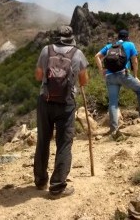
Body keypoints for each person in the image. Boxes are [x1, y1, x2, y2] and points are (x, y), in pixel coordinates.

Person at [34, 25, 89, 197]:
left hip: (45, 101)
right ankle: (57, 186)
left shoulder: (46, 50)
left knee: (43, 140)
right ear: (71, 37)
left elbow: (37, 76)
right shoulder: (77, 53)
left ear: (56, 37)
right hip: (66, 104)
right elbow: (84, 81)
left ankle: (40, 180)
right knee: (64, 143)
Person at [95, 29, 140, 138]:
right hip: (123, 74)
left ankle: (113, 129)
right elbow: (135, 61)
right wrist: (136, 76)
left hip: (110, 77)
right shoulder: (130, 44)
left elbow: (97, 56)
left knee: (113, 103)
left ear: (118, 37)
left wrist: (102, 71)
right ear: (127, 37)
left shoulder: (110, 46)